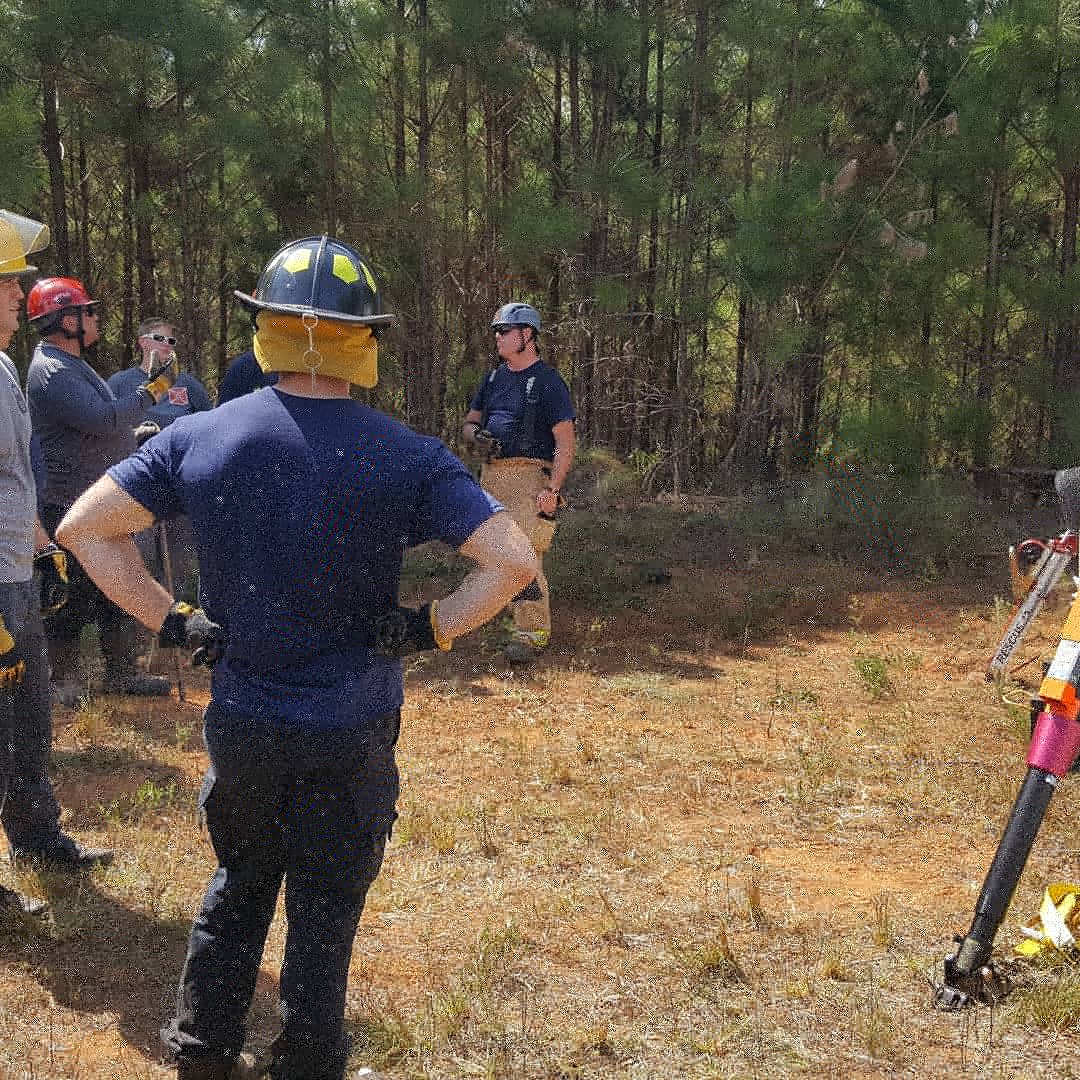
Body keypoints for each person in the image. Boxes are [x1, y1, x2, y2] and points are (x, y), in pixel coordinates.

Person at [57, 235, 538, 1080]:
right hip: (352, 725)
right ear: (364, 339)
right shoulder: (407, 453)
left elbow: (84, 529)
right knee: (325, 906)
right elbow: (513, 561)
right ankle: (309, 1060)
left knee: (240, 884)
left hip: (245, 720)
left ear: (266, 329)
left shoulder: (201, 436)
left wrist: (173, 621)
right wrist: (431, 627)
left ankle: (204, 1056)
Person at [0, 210, 113, 908]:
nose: (21, 295)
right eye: (9, 283)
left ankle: (40, 840)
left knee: (27, 721)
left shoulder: (4, 369)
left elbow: (17, 479)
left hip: (16, 572)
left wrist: (43, 549)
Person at [25, 276, 177, 703]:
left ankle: (121, 673)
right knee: (70, 598)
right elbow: (102, 419)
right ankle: (62, 680)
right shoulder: (53, 371)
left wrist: (134, 434)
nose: (95, 318)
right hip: (69, 503)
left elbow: (103, 424)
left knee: (116, 588)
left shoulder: (71, 363)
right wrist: (152, 392)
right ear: (66, 320)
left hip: (95, 499)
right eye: (87, 312)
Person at [461, 301, 576, 662]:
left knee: (525, 556)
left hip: (529, 478)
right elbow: (469, 423)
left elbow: (565, 441)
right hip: (492, 475)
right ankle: (501, 617)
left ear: (527, 335)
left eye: (504, 331)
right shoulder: (493, 379)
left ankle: (532, 632)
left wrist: (552, 489)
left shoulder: (548, 382)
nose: (497, 337)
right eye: (496, 331)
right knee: (491, 552)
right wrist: (477, 436)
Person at [108, 316, 211, 600]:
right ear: (142, 342)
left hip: (179, 486)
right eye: (159, 338)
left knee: (179, 564)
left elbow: (208, 426)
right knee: (140, 558)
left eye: (171, 340)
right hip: (136, 485)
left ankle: (179, 617)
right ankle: (142, 618)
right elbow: (106, 426)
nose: (167, 345)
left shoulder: (188, 384)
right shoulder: (120, 383)